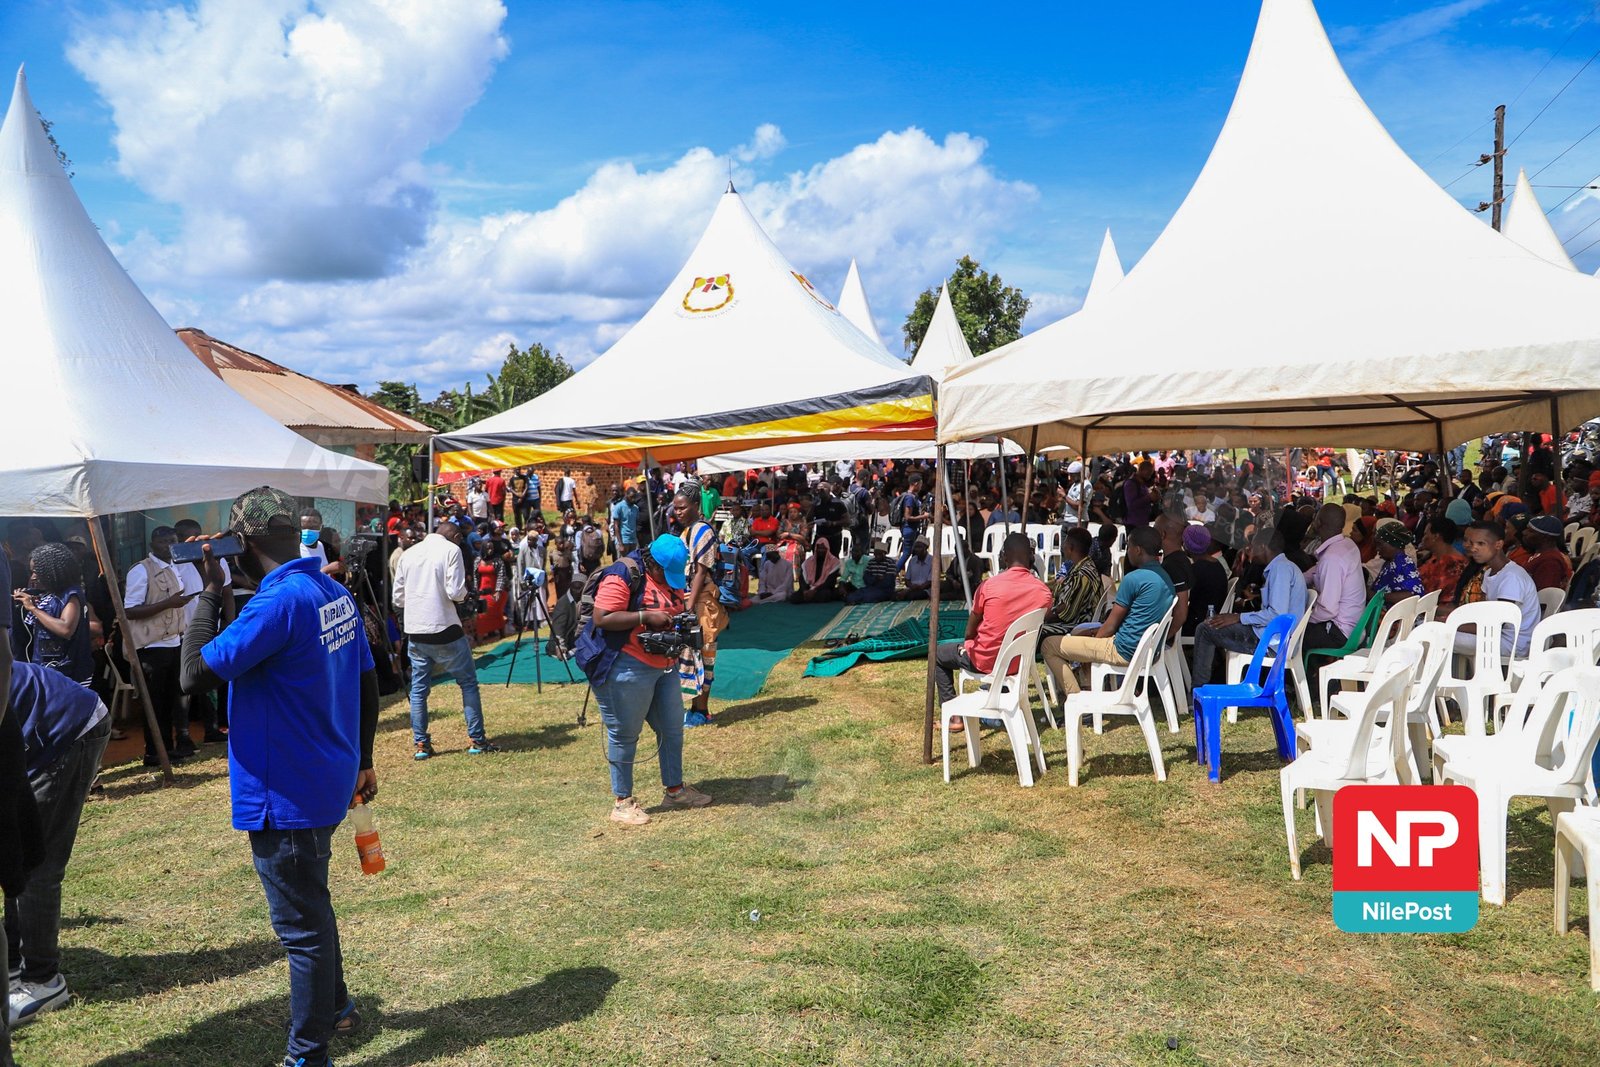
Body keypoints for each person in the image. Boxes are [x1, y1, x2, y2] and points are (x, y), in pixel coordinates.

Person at [175, 486, 379, 1067]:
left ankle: (307, 1055)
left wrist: (209, 592)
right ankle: (336, 1007)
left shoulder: (277, 603)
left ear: (241, 546)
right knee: (312, 903)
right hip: (326, 775)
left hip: (286, 791)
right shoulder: (329, 590)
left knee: (301, 929)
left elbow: (192, 675)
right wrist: (364, 758)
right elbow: (366, 679)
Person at [4, 662, 109, 1026]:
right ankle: (12, 965)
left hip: (67, 727)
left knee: (36, 862)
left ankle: (43, 981)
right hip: (35, 730)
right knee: (16, 854)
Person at [585, 535, 713, 826]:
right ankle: (622, 803)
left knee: (672, 728)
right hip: (625, 665)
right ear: (653, 564)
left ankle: (675, 791)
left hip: (664, 665)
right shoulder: (623, 575)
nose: (670, 582)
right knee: (624, 734)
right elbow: (602, 617)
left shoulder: (668, 576)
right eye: (666, 575)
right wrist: (645, 616)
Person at [392, 518, 498, 760]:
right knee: (467, 683)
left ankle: (421, 744)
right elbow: (455, 592)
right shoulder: (451, 550)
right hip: (445, 627)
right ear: (457, 537)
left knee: (419, 690)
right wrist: (465, 597)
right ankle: (477, 740)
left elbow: (398, 598)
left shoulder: (409, 553)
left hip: (416, 630)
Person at [1041, 527, 1175, 698]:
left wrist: (1091, 643)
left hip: (1122, 650)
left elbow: (1110, 627)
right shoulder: (1166, 577)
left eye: (1128, 547)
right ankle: (1086, 689)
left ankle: (1075, 698)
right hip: (1146, 649)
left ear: (1138, 550)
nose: (1127, 552)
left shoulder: (1133, 579)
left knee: (1049, 645)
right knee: (1085, 635)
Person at [933, 533, 1052, 706]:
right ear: (1031, 556)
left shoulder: (989, 586)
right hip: (1019, 662)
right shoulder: (1044, 592)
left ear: (1004, 557)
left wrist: (969, 644)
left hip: (986, 661)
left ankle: (953, 715)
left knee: (938, 654)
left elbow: (970, 631)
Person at [1193, 531, 1308, 690]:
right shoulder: (1282, 567)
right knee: (1213, 626)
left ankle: (1198, 690)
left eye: (1252, 547)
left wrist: (1238, 618)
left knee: (1206, 629)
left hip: (1272, 642)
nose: (1249, 550)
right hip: (1272, 636)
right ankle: (1208, 685)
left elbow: (1277, 615)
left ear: (1262, 547)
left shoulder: (1280, 569)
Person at [123, 527, 194, 765]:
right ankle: (154, 752)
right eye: (163, 542)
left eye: (172, 541)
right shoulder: (141, 570)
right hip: (151, 646)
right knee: (154, 703)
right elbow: (130, 611)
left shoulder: (175, 566)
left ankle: (167, 748)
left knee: (170, 700)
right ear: (152, 544)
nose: (168, 546)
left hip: (174, 641)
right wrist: (168, 603)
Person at [671, 486, 728, 724]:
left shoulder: (702, 531)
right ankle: (695, 707)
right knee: (691, 654)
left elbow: (700, 572)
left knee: (705, 653)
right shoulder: (687, 531)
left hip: (702, 601)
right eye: (675, 508)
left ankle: (702, 710)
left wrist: (689, 607)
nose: (678, 512)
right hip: (690, 599)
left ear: (696, 506)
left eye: (682, 508)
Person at [13, 544, 92, 686]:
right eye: (31, 572)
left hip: (70, 673)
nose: (33, 577)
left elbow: (66, 629)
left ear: (52, 571)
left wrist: (33, 609)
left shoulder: (71, 595)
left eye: (36, 572)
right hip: (49, 669)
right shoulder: (50, 594)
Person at [1458, 521, 1539, 658]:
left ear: (1498, 545)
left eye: (1481, 543)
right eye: (1472, 543)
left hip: (1512, 644)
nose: (1474, 549)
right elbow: (1483, 613)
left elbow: (1496, 623)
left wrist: (1451, 623)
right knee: (1440, 631)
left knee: (1438, 636)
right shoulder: (1489, 572)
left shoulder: (1511, 577)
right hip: (1495, 636)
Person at [1303, 503, 1367, 663]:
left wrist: (1304, 619)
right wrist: (1299, 578)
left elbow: (1328, 609)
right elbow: (1318, 570)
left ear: (1318, 522)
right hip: (1356, 627)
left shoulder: (1331, 558)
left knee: (1290, 636)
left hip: (1340, 632)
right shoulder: (1347, 544)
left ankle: (1304, 677)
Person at [1045, 527, 1103, 637]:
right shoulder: (1084, 565)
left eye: (1065, 544)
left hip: (1077, 625)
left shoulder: (1081, 575)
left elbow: (1066, 613)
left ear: (1070, 548)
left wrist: (1041, 617)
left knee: (1035, 631)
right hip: (1075, 620)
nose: (1063, 547)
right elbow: (1061, 585)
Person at [1418, 516, 1467, 614]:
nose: (1423, 539)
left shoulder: (1455, 565)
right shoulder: (1435, 558)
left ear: (1436, 536)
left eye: (1425, 534)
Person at [1372, 523, 1424, 606]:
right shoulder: (1390, 562)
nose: (1377, 549)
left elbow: (1412, 595)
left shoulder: (1404, 564)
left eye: (1380, 544)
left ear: (1393, 544)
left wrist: (1379, 596)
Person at [1521, 515, 1574, 592]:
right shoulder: (1541, 554)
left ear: (1545, 538)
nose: (1524, 532)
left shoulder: (1550, 561)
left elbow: (1545, 595)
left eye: (1531, 531)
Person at [793, 537, 840, 604]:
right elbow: (802, 579)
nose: (821, 550)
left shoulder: (834, 562)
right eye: (819, 548)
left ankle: (809, 598)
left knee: (825, 594)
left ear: (827, 549)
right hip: (808, 587)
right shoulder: (809, 561)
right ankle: (808, 596)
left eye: (823, 548)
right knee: (795, 597)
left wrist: (814, 591)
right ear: (816, 549)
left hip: (822, 589)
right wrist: (805, 590)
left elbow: (829, 582)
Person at [298, 509, 343, 577]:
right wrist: (326, 570)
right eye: (304, 528)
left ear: (321, 527)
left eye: (313, 527)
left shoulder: (320, 545)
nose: (307, 531)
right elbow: (303, 580)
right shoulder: (296, 550)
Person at [1123, 460, 1159, 528]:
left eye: (1150, 474)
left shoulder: (1142, 483)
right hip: (1133, 523)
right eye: (1148, 473)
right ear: (1141, 470)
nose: (1149, 476)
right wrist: (1149, 497)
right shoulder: (1131, 484)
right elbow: (1131, 505)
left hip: (1143, 521)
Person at [611, 486, 641, 559]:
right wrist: (620, 544)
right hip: (623, 541)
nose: (633, 499)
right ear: (626, 495)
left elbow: (636, 524)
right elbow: (616, 526)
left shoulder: (635, 508)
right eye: (631, 497)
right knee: (623, 563)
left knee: (633, 563)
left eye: (634, 497)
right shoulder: (619, 507)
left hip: (633, 541)